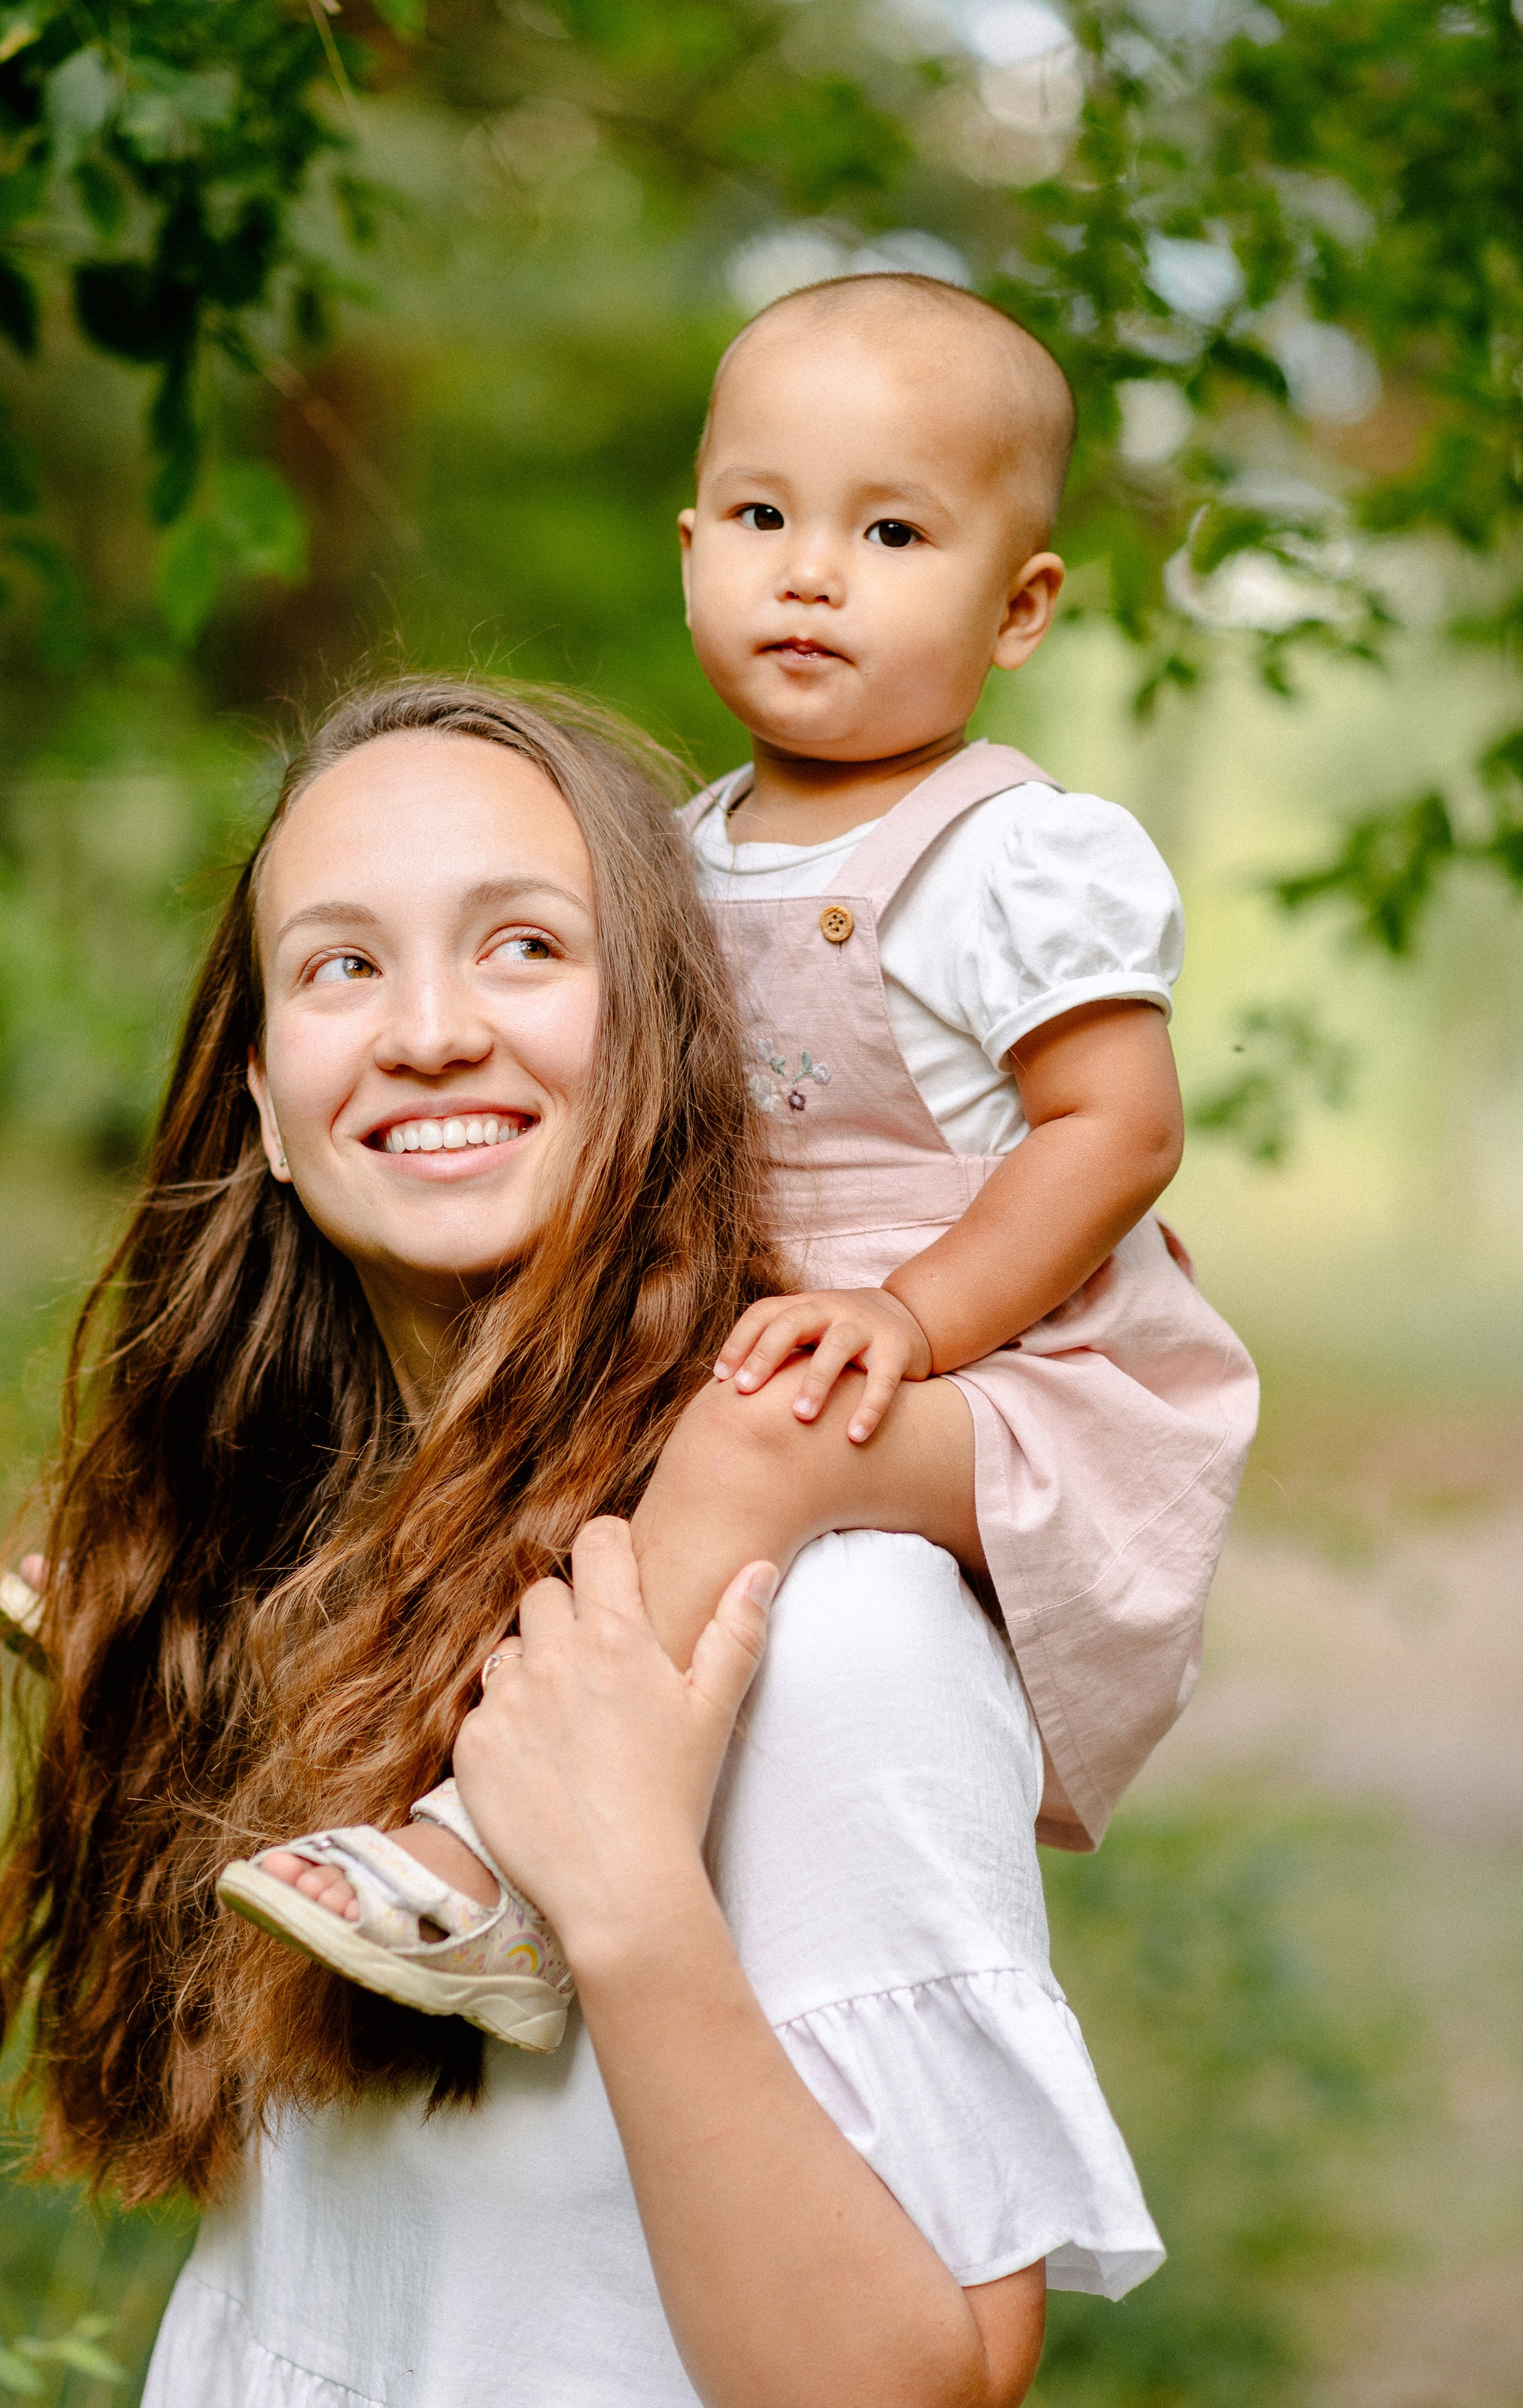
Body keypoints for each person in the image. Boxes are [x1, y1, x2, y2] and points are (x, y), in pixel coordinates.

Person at [0, 678, 1163, 2408]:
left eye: (525, 945)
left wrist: (626, 1899)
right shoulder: (291, 1561)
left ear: (677, 1042)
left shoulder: (817, 1628)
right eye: (341, 965)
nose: (432, 1028)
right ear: (262, 1098)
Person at [209, 273, 1257, 2048]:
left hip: (1016, 1379)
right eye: (764, 518)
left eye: (891, 532)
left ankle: (496, 1866)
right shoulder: (677, 856)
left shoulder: (1016, 858)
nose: (812, 573)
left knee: (749, 1434)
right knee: (517, 1384)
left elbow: (1119, 1130)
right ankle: (200, 1622)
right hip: (766, 1339)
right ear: (693, 548)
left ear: (1019, 608)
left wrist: (911, 1317)